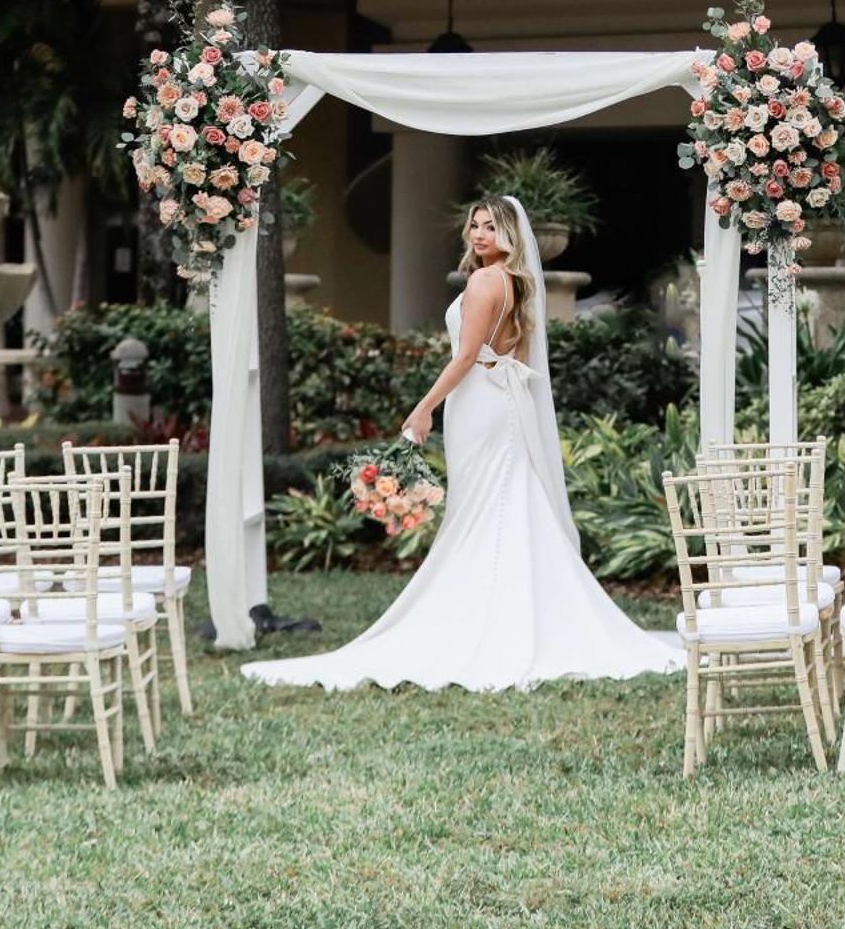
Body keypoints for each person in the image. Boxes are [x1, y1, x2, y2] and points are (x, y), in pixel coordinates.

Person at [243, 194, 682, 691]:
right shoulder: (518, 283)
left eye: (491, 227)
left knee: (483, 507)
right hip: (503, 402)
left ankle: (486, 619)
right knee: (507, 501)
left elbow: (465, 357)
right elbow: (505, 350)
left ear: (509, 235)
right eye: (474, 225)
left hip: (479, 404)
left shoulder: (482, 281)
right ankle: (521, 611)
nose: (479, 235)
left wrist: (424, 406)